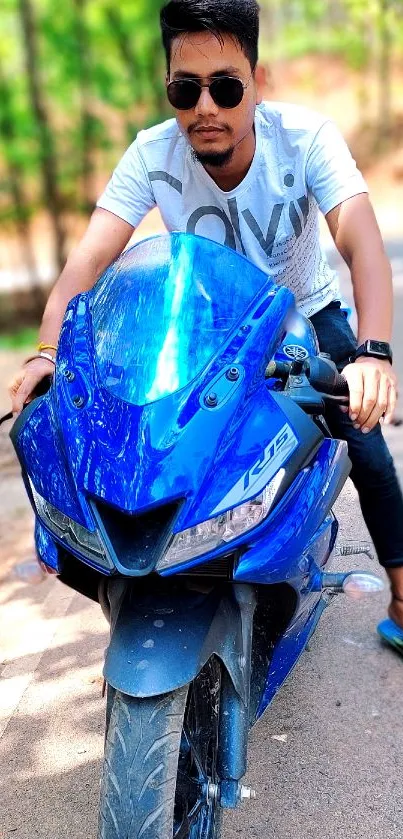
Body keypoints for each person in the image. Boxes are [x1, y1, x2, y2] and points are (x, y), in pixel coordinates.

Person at [8, 0, 403, 651]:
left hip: (302, 314)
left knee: (363, 444)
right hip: (201, 328)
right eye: (184, 89)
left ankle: (398, 585)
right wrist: (46, 352)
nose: (205, 107)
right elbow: (87, 261)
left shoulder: (304, 139)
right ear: (167, 87)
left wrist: (374, 354)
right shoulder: (150, 155)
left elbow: (360, 240)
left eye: (225, 86)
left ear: (258, 80)